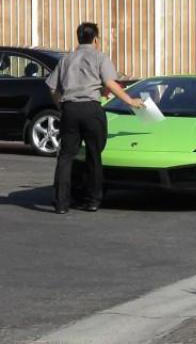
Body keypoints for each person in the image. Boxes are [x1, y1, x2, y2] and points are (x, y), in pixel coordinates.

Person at [46, 22, 144, 214]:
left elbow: (51, 87)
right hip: (91, 109)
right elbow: (110, 83)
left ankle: (61, 203)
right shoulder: (100, 57)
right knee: (93, 156)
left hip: (70, 109)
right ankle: (92, 200)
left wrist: (62, 105)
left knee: (66, 156)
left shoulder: (66, 59)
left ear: (78, 37)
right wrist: (130, 101)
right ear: (96, 39)